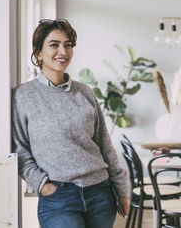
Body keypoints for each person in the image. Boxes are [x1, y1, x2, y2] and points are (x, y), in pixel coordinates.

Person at [12, 19, 129, 228]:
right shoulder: (23, 96)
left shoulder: (84, 92)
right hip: (58, 198)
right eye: (54, 44)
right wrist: (42, 184)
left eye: (68, 45)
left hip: (100, 193)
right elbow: (19, 149)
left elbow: (104, 145)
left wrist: (121, 190)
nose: (63, 51)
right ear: (38, 53)